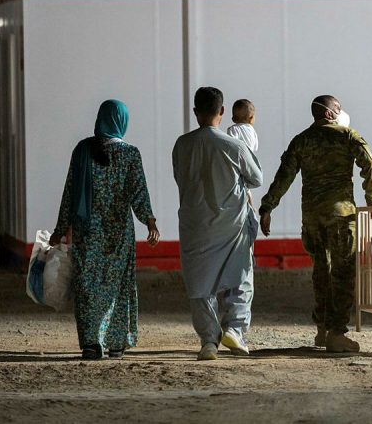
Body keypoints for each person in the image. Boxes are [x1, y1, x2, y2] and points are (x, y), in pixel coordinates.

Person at [259, 95, 372, 353]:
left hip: (311, 217)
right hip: (340, 216)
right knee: (343, 272)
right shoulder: (346, 136)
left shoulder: (301, 141)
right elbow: (369, 164)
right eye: (337, 109)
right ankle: (337, 332)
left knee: (320, 272)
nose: (340, 113)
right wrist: (370, 199)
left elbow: (284, 176)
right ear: (328, 113)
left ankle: (322, 330)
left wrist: (268, 207)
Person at [51, 99, 160, 360]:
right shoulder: (130, 154)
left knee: (88, 287)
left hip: (87, 232)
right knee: (118, 287)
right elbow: (138, 193)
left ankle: (91, 343)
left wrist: (60, 228)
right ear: (122, 122)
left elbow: (70, 192)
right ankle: (116, 343)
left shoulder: (82, 150)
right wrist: (150, 221)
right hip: (118, 234)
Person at [172, 87, 263, 361]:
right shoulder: (233, 145)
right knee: (241, 277)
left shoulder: (181, 145)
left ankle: (208, 341)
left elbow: (180, 177)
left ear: (195, 111)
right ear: (222, 112)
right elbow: (256, 178)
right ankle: (234, 329)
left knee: (200, 283)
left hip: (195, 225)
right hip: (230, 226)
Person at [226, 99, 259, 208]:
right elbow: (255, 148)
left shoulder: (233, 129)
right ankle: (252, 207)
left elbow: (231, 145)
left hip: (237, 164)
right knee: (247, 187)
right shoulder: (252, 131)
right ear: (251, 118)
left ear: (233, 118)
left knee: (240, 186)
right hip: (249, 164)